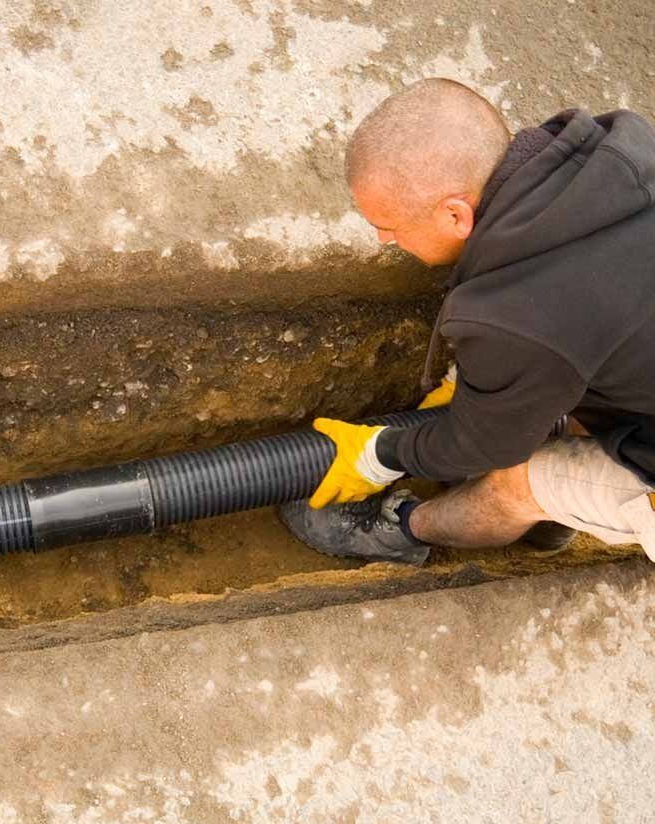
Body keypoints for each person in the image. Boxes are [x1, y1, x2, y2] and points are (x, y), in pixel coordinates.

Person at [280, 78, 655, 566]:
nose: (382, 242)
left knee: (513, 482)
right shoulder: (624, 154)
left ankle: (404, 528)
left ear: (456, 215)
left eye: (388, 228)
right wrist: (482, 381)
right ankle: (557, 522)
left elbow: (483, 445)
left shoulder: (523, 315)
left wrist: (381, 454)